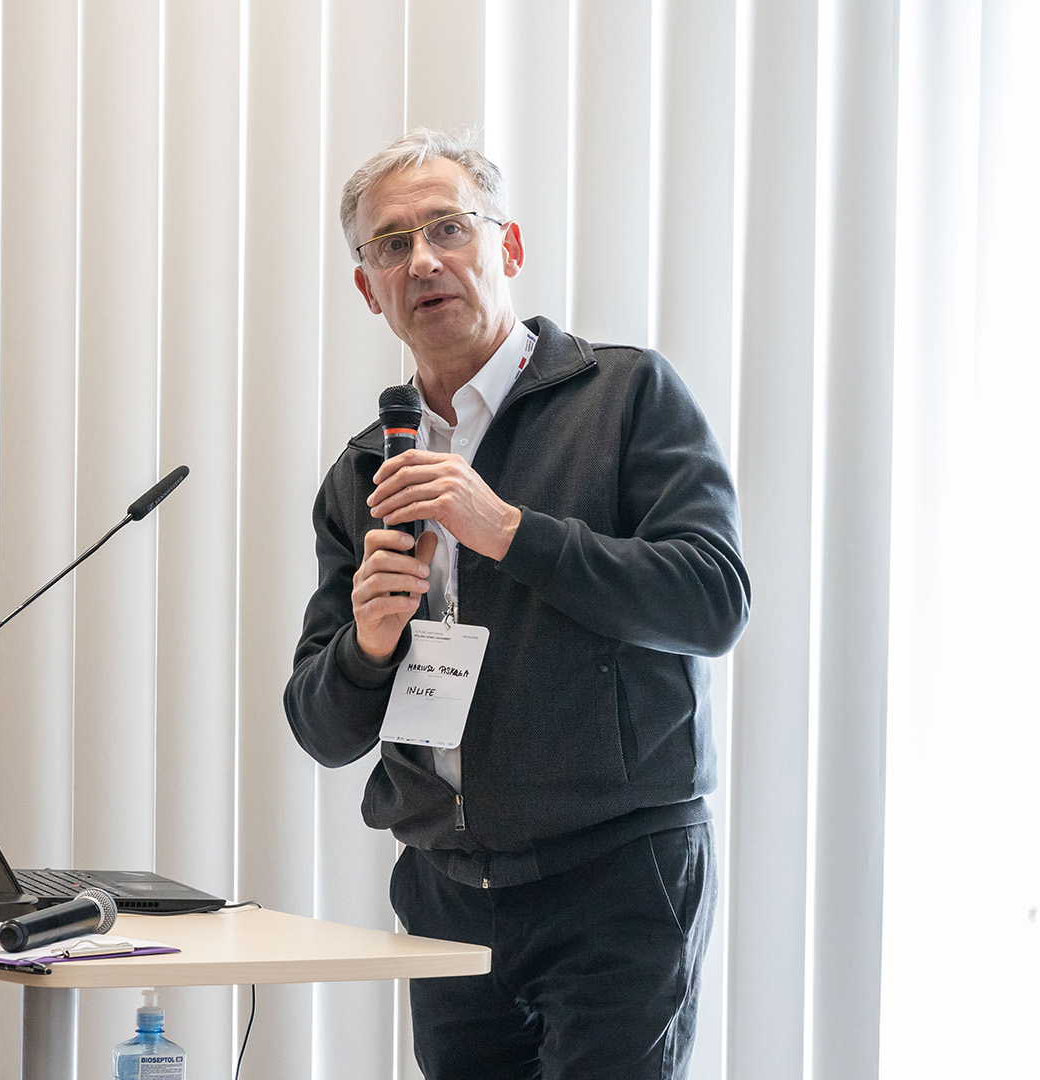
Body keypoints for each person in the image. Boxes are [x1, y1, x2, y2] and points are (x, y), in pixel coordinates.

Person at [283, 128, 750, 1079]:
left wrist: (508, 530)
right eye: (391, 245)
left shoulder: (626, 396)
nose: (423, 261)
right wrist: (367, 647)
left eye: (449, 227)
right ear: (368, 289)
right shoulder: (364, 471)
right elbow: (322, 729)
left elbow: (713, 599)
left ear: (511, 246)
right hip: (447, 889)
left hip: (615, 877)